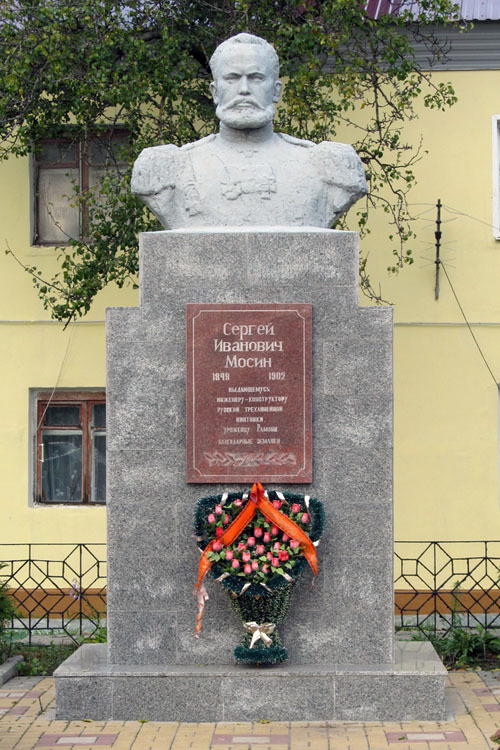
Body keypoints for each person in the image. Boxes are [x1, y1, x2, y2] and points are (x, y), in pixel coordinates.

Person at [131, 33, 367, 229]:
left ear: (276, 91)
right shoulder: (173, 167)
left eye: (256, 78)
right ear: (215, 92)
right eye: (232, 79)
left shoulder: (322, 166)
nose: (244, 89)